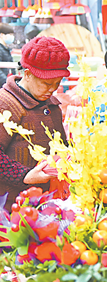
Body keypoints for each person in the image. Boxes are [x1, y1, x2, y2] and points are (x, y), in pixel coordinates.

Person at [0, 36, 69, 206]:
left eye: (57, 83)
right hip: (10, 207)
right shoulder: (6, 104)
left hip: (46, 202)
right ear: (28, 74)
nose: (52, 89)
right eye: (46, 83)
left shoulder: (51, 105)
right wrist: (25, 175)